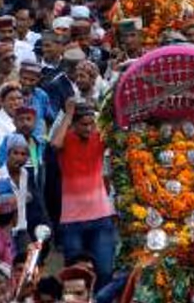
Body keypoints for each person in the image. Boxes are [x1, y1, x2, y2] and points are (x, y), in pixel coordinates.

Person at [50, 99, 116, 290]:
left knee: (104, 271)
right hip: (72, 221)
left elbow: (116, 130)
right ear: (74, 124)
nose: (88, 128)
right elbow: (54, 144)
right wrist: (68, 114)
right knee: (74, 274)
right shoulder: (66, 140)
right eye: (84, 124)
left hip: (101, 217)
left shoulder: (99, 137)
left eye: (91, 124)